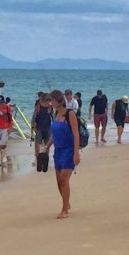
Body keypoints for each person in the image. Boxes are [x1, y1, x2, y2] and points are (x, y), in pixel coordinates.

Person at [48, 89, 80, 219]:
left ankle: (64, 210)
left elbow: (76, 134)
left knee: (64, 180)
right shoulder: (55, 113)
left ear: (57, 101)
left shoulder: (70, 114)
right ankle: (67, 203)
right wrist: (47, 146)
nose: (50, 103)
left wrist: (76, 153)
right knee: (58, 182)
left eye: (52, 100)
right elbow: (54, 134)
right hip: (58, 150)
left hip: (69, 150)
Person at [32, 91, 53, 160]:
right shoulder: (38, 107)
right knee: (37, 143)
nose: (49, 101)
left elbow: (54, 117)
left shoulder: (51, 107)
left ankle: (46, 156)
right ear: (43, 100)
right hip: (39, 128)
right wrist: (33, 127)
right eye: (47, 100)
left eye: (50, 100)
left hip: (48, 128)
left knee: (47, 144)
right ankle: (37, 157)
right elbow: (34, 117)